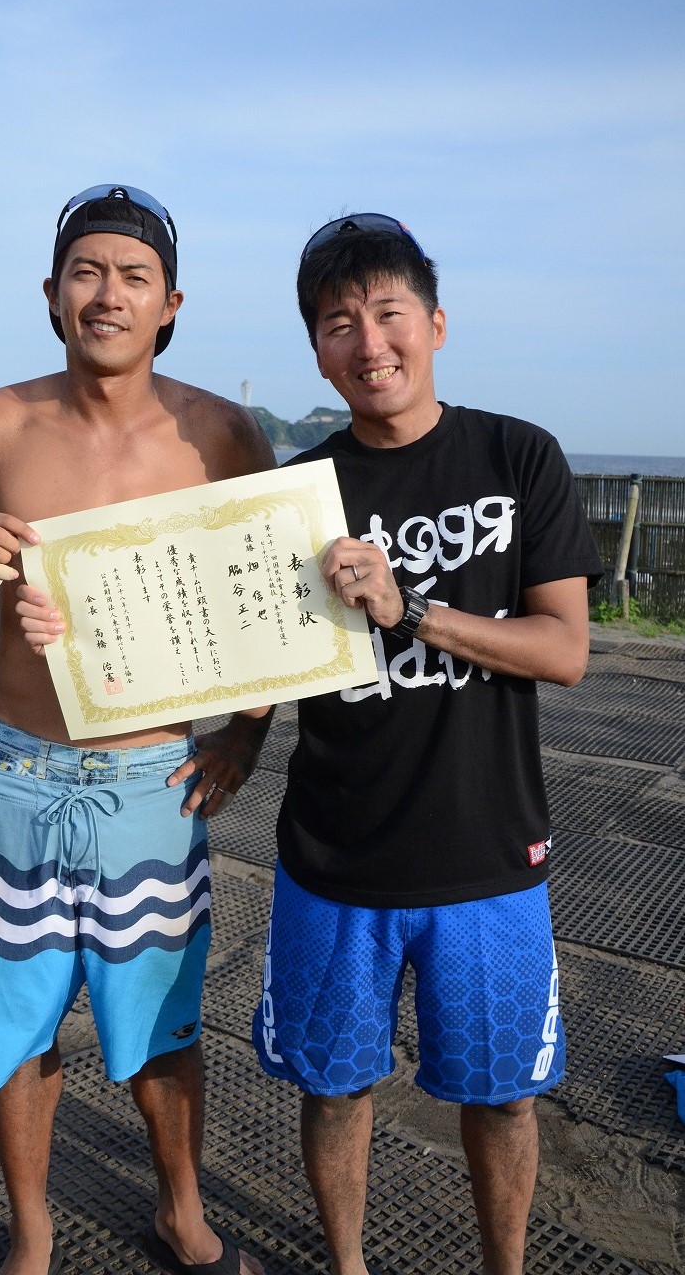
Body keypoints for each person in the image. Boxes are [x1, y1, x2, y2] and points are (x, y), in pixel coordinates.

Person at [0, 184, 275, 1275]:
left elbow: (272, 595)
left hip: (152, 777)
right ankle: (32, 1231)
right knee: (16, 1017)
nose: (108, 293)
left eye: (133, 275)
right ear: (53, 293)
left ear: (170, 304)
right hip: (18, 774)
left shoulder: (220, 431)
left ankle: (181, 1212)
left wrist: (246, 735)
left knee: (162, 1019)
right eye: (86, 271)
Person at [251, 213, 603, 1275]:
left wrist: (411, 612)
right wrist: (223, 736)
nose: (369, 343)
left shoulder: (517, 455)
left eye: (388, 312)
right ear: (317, 352)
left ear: (436, 323)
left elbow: (563, 648)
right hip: (333, 855)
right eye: (338, 323)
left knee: (503, 1099)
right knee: (333, 1088)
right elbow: (252, 657)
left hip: (487, 855)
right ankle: (347, 1264)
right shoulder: (299, 495)